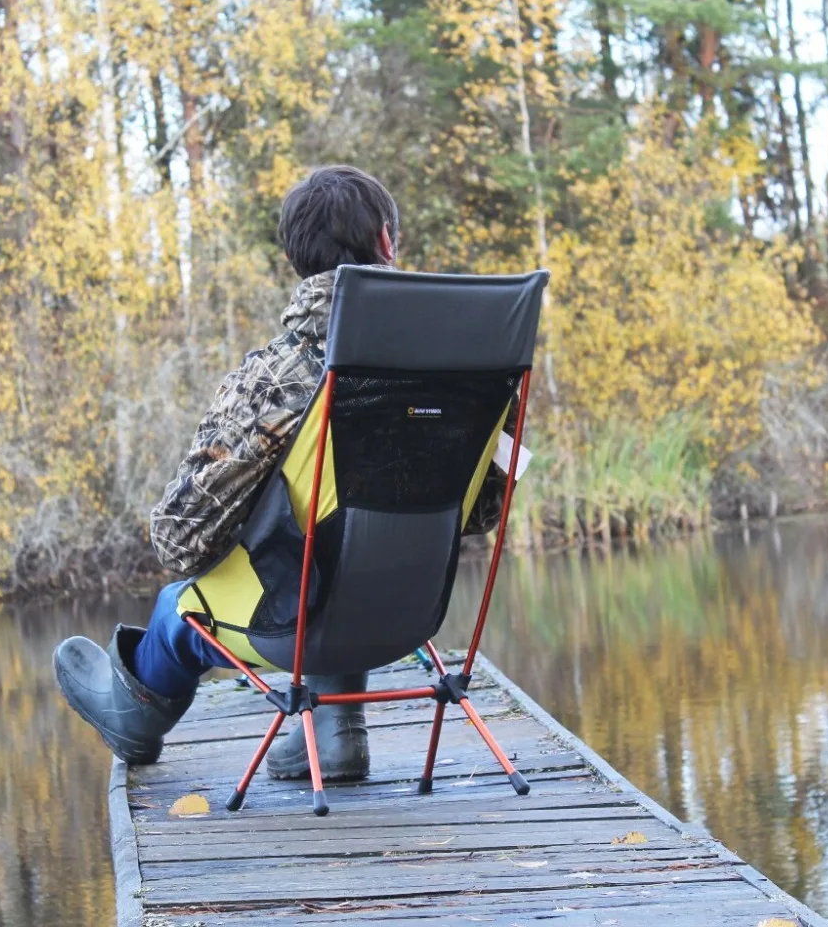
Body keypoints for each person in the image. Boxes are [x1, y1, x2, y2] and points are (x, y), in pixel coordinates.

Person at [53, 165, 511, 778]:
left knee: (177, 606)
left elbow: (178, 540)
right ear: (387, 241)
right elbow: (482, 514)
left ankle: (133, 717)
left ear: (296, 260)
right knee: (334, 532)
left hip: (295, 625)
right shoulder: (463, 368)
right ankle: (336, 729)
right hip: (412, 614)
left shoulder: (279, 375)